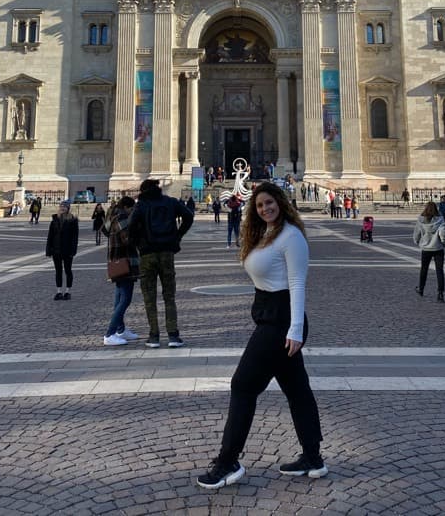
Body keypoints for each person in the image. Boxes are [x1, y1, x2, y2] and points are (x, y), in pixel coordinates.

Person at [197, 181, 327, 489]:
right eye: (259, 205)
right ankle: (313, 457)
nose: (265, 208)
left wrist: (295, 330)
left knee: (242, 385)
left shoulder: (291, 236)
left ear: (281, 202)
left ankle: (228, 462)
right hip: (270, 315)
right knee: (297, 390)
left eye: (269, 203)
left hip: (281, 322)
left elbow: (297, 284)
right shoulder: (266, 234)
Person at [128, 179, 194, 348]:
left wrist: (138, 244)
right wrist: (177, 236)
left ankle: (154, 336)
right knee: (169, 296)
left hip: (147, 254)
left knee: (149, 297)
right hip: (167, 253)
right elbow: (188, 216)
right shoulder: (170, 202)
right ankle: (173, 335)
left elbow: (131, 228)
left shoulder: (141, 205)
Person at [102, 196, 140, 346]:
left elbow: (104, 230)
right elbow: (128, 239)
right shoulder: (122, 217)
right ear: (127, 207)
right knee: (125, 299)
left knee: (119, 297)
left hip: (116, 261)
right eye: (132, 209)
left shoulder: (112, 216)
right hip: (124, 262)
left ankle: (120, 329)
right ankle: (110, 333)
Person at [413, 201, 445, 302]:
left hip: (426, 248)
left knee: (424, 269)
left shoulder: (421, 219)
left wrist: (416, 241)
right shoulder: (440, 219)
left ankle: (421, 288)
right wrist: (444, 243)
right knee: (439, 271)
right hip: (437, 248)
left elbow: (417, 232)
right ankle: (440, 293)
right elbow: (443, 233)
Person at [46, 201, 79, 300]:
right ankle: (59, 291)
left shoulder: (72, 220)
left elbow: (75, 237)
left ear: (68, 208)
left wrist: (73, 250)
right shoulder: (54, 220)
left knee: (68, 270)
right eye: (61, 206)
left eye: (64, 206)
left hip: (67, 250)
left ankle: (68, 291)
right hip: (56, 250)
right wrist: (48, 250)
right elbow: (50, 236)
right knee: (58, 271)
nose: (62, 208)